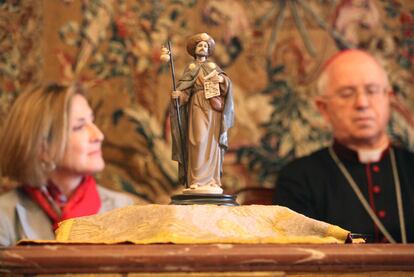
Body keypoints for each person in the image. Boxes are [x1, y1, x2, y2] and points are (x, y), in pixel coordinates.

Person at [273, 49, 414, 243]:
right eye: (347, 94)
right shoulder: (299, 179)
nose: (362, 103)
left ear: (388, 98)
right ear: (324, 108)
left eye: (372, 91)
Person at [0, 83, 136, 246]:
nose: (98, 135)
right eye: (79, 127)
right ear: (43, 147)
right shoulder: (4, 217)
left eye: (92, 122)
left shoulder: (126, 209)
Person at [170, 33, 234, 194]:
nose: (203, 48)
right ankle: (196, 180)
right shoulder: (191, 69)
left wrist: (222, 81)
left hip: (213, 108)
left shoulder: (213, 68)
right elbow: (185, 91)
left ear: (209, 50)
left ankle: (213, 180)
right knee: (198, 140)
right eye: (200, 45)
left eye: (205, 46)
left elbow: (227, 85)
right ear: (194, 49)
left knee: (212, 142)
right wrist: (179, 96)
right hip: (197, 105)